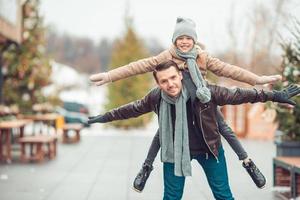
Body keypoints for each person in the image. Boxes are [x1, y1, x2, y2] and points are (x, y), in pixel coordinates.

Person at [89, 17, 283, 191]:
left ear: (194, 40)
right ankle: (146, 166)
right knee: (164, 129)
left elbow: (229, 70)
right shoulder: (165, 57)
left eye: (188, 38)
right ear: (174, 40)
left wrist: (257, 79)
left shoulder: (202, 57)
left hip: (203, 100)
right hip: (173, 108)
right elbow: (138, 66)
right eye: (180, 38)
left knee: (222, 127)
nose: (184, 41)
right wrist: (109, 76)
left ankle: (247, 161)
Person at [88, 61, 299, 199]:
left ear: (180, 75)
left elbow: (239, 95)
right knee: (171, 197)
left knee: (224, 195)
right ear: (158, 83)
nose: (170, 84)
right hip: (176, 152)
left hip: (210, 150)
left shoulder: (204, 92)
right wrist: (103, 117)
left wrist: (273, 95)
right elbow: (131, 109)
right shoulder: (155, 97)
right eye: (164, 81)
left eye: (172, 77)